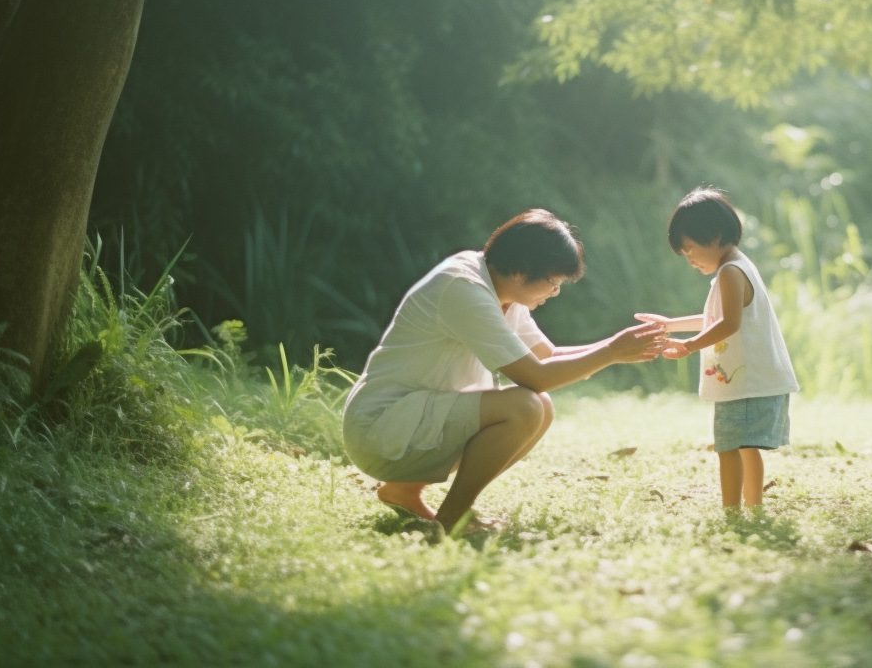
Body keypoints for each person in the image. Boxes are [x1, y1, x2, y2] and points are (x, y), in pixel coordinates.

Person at [342, 209, 666, 539]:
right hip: (380, 426)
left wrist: (616, 349)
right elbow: (536, 376)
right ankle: (452, 518)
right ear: (520, 270)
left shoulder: (504, 292)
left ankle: (404, 492)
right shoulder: (463, 288)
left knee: (541, 407)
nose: (554, 293)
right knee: (526, 406)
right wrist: (611, 352)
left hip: (416, 417)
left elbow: (548, 356)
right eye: (553, 283)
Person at [636, 187, 799, 513]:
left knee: (729, 448)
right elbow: (716, 317)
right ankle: (752, 509)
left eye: (691, 250)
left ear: (713, 236)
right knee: (744, 448)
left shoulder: (730, 272)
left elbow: (728, 324)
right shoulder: (739, 266)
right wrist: (670, 325)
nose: (691, 260)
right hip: (754, 380)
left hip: (746, 384)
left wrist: (689, 346)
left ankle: (733, 513)